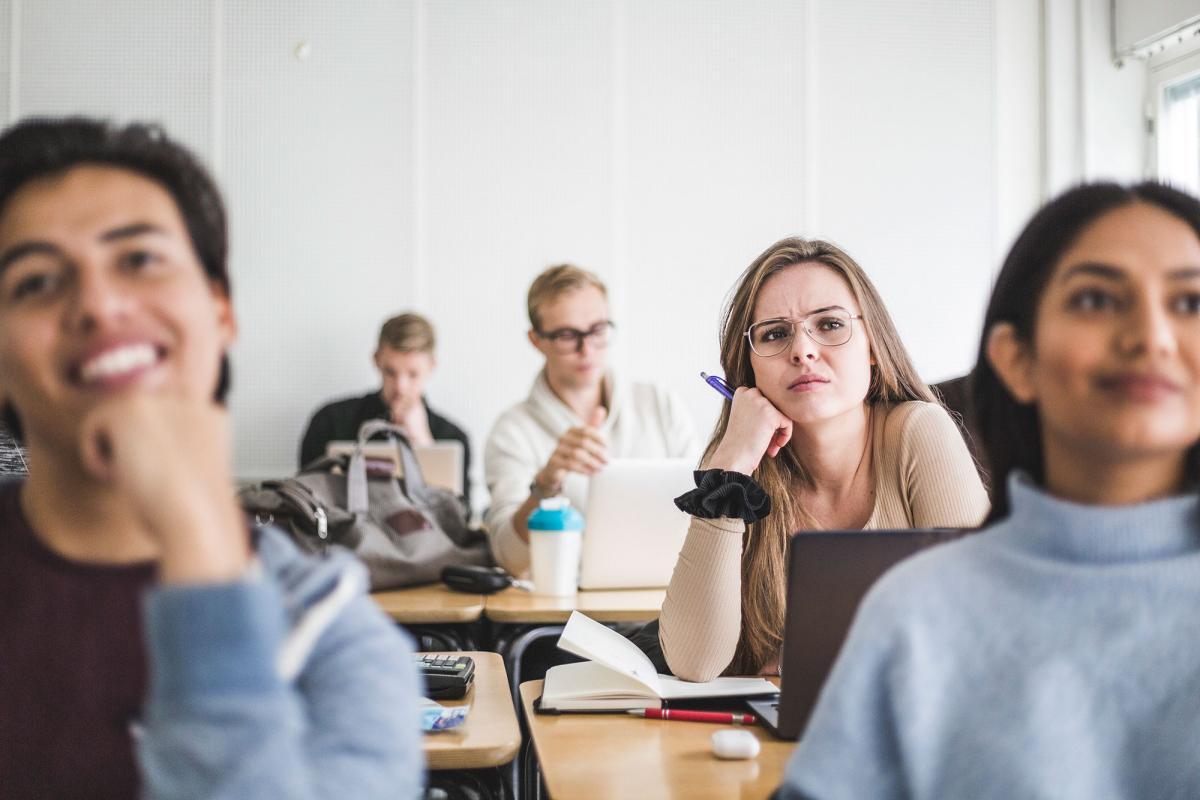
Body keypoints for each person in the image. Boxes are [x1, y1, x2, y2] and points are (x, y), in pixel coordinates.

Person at [0, 117, 423, 800]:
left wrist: (200, 545)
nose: (99, 306)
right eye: (36, 281)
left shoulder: (336, 641)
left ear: (220, 312)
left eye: (138, 259)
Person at [778, 182, 1200, 799]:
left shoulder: (915, 435)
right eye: (1095, 299)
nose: (1153, 337)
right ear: (1015, 358)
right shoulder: (916, 615)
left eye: (1189, 302)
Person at [658, 237, 989, 682]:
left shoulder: (919, 430)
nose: (802, 350)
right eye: (775, 333)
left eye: (830, 325)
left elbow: (980, 623)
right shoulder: (738, 468)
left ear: (872, 346)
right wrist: (730, 465)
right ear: (750, 369)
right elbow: (693, 664)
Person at [484, 263, 696, 575]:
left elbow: (705, 516)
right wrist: (546, 485)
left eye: (598, 330)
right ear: (536, 340)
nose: (587, 349)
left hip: (661, 599)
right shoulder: (512, 430)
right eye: (568, 336)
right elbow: (508, 558)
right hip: (562, 615)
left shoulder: (659, 404)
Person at [299, 311, 471, 505]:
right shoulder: (330, 421)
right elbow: (305, 499)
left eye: (413, 374)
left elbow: (458, 515)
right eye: (391, 372)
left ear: (431, 366)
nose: (400, 386)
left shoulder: (454, 438)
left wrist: (423, 443)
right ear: (376, 360)